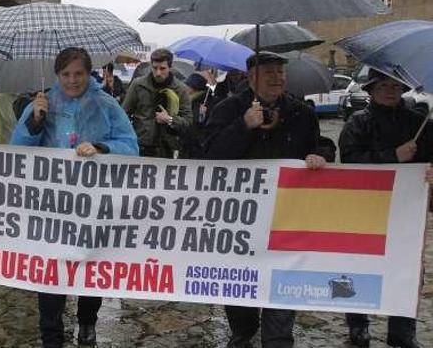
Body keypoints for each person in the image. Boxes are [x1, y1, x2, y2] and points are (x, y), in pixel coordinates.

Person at [11, 47, 138, 348]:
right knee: (49, 270)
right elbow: (17, 152)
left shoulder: (106, 105)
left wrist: (101, 148)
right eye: (66, 74)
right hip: (51, 206)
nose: (72, 80)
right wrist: (35, 122)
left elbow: (130, 146)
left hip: (93, 205)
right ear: (57, 75)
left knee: (90, 265)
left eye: (78, 73)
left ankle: (87, 322)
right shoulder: (41, 104)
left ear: (88, 73)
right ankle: (51, 333)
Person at [203, 51, 328, 348]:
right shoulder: (228, 109)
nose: (277, 78)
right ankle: (243, 331)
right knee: (240, 287)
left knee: (282, 283)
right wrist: (243, 126)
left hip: (286, 216)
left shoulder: (302, 112)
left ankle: (278, 338)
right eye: (269, 71)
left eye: (281, 72)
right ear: (251, 77)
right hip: (239, 219)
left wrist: (320, 154)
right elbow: (208, 155)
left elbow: (319, 145)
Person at [338, 69, 433, 348]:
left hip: (406, 209)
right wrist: (393, 156)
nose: (390, 91)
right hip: (365, 207)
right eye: (383, 86)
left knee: (407, 267)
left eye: (395, 86)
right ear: (371, 90)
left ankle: (402, 329)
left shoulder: (421, 123)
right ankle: (358, 326)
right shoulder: (358, 122)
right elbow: (352, 162)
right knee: (359, 265)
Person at [121, 48, 192, 157]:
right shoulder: (138, 84)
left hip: (167, 148)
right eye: (155, 68)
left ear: (170, 67)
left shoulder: (180, 89)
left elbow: (188, 122)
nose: (158, 73)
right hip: (140, 145)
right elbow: (123, 115)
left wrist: (170, 120)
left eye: (162, 68)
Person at [174, 72, 210, 158]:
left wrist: (203, 116)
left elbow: (199, 125)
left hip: (195, 147)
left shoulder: (205, 103)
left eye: (187, 85)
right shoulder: (187, 99)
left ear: (194, 88)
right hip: (184, 143)